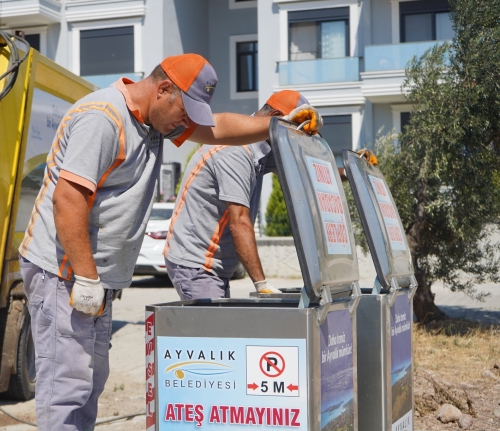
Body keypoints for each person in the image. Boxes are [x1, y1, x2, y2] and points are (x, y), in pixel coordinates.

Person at [18, 54, 320, 431]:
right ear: (163, 89)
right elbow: (68, 200)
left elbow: (221, 128)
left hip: (92, 278)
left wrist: (278, 126)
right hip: (63, 273)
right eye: (186, 111)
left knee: (89, 383)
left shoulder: (154, 120)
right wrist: (86, 276)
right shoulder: (103, 118)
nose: (187, 123)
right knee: (67, 388)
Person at [163, 90, 313, 300]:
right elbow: (239, 222)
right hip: (198, 264)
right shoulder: (237, 151)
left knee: (220, 329)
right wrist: (262, 284)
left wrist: (346, 172)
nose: (292, 142)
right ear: (276, 118)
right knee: (213, 331)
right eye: (291, 133)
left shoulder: (259, 148)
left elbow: (300, 170)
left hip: (212, 266)